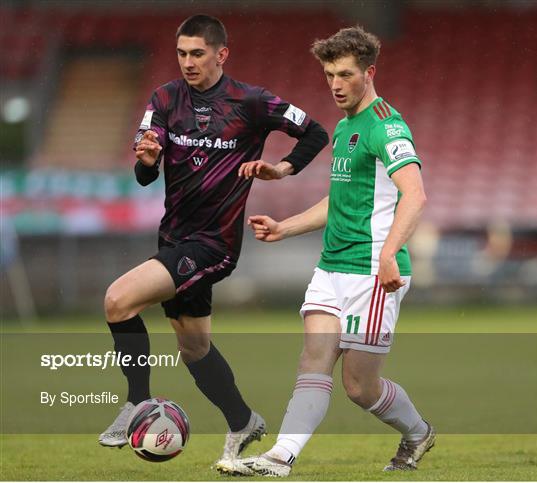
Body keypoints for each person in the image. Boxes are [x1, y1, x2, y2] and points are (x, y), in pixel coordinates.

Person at [97, 14, 328, 473]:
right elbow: (146, 173)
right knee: (194, 348)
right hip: (174, 238)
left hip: (213, 244)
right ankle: (243, 421)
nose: (187, 62)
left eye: (197, 53)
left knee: (117, 301)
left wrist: (281, 169)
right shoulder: (164, 98)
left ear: (221, 54)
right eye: (181, 53)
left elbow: (316, 133)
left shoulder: (253, 102)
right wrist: (146, 160)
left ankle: (136, 405)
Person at [237, 26, 434, 476]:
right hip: (332, 267)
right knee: (314, 358)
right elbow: (340, 199)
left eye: (345, 74)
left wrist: (389, 255)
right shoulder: (346, 127)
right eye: (329, 74)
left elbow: (415, 194)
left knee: (359, 387)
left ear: (370, 72)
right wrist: (285, 227)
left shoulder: (387, 125)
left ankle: (418, 432)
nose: (335, 84)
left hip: (373, 271)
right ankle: (280, 458)